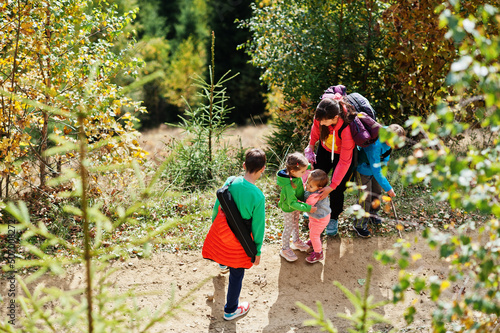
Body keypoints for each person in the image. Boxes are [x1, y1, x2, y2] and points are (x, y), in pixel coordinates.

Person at [202, 148, 266, 321]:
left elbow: (218, 207)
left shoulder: (230, 182)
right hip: (240, 240)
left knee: (224, 251)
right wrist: (256, 250)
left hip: (222, 231)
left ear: (244, 165)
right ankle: (230, 310)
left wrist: (216, 226)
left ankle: (223, 265)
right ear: (263, 170)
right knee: (237, 274)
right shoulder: (258, 196)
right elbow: (258, 226)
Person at [304, 91, 357, 236]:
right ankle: (312, 206)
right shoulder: (321, 116)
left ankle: (333, 217)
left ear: (335, 118)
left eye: (324, 121)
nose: (321, 123)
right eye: (319, 120)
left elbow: (345, 162)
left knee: (338, 187)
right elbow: (315, 131)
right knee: (316, 177)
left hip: (344, 156)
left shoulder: (346, 128)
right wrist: (311, 147)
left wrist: (332, 186)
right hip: (326, 148)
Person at [353, 124, 406, 238]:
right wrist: (388, 188)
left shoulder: (391, 137)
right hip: (363, 169)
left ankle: (373, 214)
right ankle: (359, 224)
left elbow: (385, 156)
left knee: (377, 192)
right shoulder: (375, 146)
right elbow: (376, 170)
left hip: (375, 169)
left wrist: (384, 169)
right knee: (365, 197)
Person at [276, 152, 318, 262]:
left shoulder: (295, 174)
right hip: (290, 208)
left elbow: (300, 168)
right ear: (293, 171)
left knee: (295, 224)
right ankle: (285, 249)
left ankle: (296, 242)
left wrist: (308, 166)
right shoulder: (288, 186)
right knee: (289, 226)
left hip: (297, 206)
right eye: (303, 172)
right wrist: (308, 208)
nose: (305, 173)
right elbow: (292, 203)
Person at [304, 169, 331, 263]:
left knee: (314, 234)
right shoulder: (314, 189)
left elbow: (306, 204)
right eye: (307, 182)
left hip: (320, 218)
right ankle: (314, 242)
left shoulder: (315, 195)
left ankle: (318, 254)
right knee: (311, 228)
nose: (307, 186)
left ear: (319, 188)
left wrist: (296, 202)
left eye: (310, 186)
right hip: (316, 216)